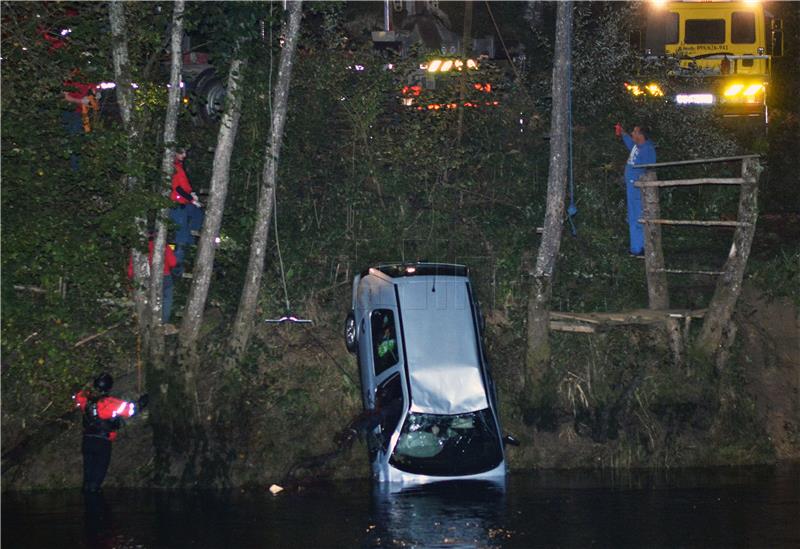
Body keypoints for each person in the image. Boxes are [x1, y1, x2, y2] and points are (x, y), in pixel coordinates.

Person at [73, 372, 148, 492]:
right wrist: (142, 402)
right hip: (102, 443)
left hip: (87, 441)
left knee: (88, 477)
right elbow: (130, 411)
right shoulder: (110, 403)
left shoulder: (84, 399)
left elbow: (77, 396)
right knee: (97, 478)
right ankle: (94, 505)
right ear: (109, 387)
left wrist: (86, 388)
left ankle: (88, 504)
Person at [618, 124, 656, 256]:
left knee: (637, 216)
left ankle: (638, 248)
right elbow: (629, 143)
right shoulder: (637, 146)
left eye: (634, 132)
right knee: (632, 216)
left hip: (638, 188)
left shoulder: (647, 149)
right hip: (632, 187)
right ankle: (637, 246)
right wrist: (623, 133)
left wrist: (642, 182)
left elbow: (649, 168)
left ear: (641, 136)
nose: (632, 134)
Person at [128, 236, 179, 331]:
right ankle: (162, 323)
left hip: (145, 278)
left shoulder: (139, 247)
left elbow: (132, 267)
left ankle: (145, 322)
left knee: (147, 299)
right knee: (166, 299)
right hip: (165, 276)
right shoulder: (163, 245)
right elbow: (173, 262)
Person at [169, 148, 204, 267]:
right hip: (177, 203)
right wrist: (191, 199)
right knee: (181, 233)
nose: (184, 155)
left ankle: (191, 237)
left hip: (185, 201)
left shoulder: (179, 167)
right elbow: (177, 188)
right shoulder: (172, 167)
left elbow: (184, 185)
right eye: (181, 153)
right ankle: (177, 263)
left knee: (198, 213)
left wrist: (192, 194)